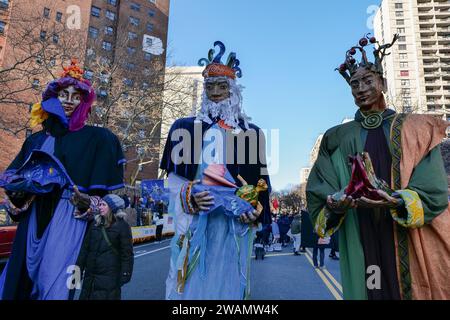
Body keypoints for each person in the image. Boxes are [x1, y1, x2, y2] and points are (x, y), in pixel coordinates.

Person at [306, 34, 450, 300]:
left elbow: (435, 189)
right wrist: (335, 203)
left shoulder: (417, 127)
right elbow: (320, 187)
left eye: (367, 81)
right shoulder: (336, 136)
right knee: (372, 286)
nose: (361, 88)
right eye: (354, 83)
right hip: (361, 228)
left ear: (382, 83)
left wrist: (396, 200)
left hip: (405, 232)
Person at [0, 60, 125, 300]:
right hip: (34, 218)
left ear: (84, 102)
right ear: (53, 98)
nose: (68, 100)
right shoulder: (35, 141)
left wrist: (91, 204)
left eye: (76, 96)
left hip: (70, 218)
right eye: (63, 94)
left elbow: (118, 200)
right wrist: (16, 192)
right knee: (22, 282)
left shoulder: (100, 138)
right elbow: (14, 181)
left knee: (57, 286)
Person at [161, 41, 271, 300]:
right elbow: (174, 183)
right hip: (196, 220)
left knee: (230, 282)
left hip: (233, 226)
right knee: (188, 282)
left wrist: (254, 212)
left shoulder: (251, 133)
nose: (216, 92)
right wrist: (190, 197)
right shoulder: (183, 128)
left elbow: (260, 185)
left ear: (234, 91)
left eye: (223, 86)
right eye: (210, 86)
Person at [77, 194, 133, 300]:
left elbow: (127, 253)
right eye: (99, 204)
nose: (100, 207)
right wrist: (77, 270)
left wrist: (125, 273)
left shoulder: (122, 226)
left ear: (112, 207)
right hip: (90, 277)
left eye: (103, 205)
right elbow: (85, 249)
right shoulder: (95, 224)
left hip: (109, 279)